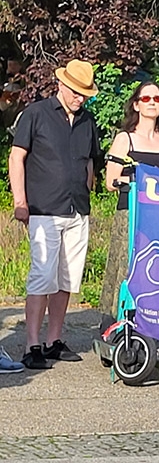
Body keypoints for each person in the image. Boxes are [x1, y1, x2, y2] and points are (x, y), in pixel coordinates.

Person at [8, 59, 101, 369]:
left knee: (67, 277)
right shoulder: (36, 114)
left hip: (77, 209)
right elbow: (17, 157)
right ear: (61, 85)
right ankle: (32, 343)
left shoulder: (88, 121)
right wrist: (20, 201)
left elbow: (90, 160)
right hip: (43, 208)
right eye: (76, 91)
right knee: (41, 276)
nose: (80, 98)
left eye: (85, 94)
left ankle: (54, 340)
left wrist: (88, 187)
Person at [99, 82, 159, 342]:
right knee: (128, 269)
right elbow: (110, 182)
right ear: (136, 104)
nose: (152, 102)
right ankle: (118, 327)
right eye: (146, 98)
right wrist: (139, 184)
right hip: (133, 214)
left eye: (157, 98)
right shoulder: (125, 139)